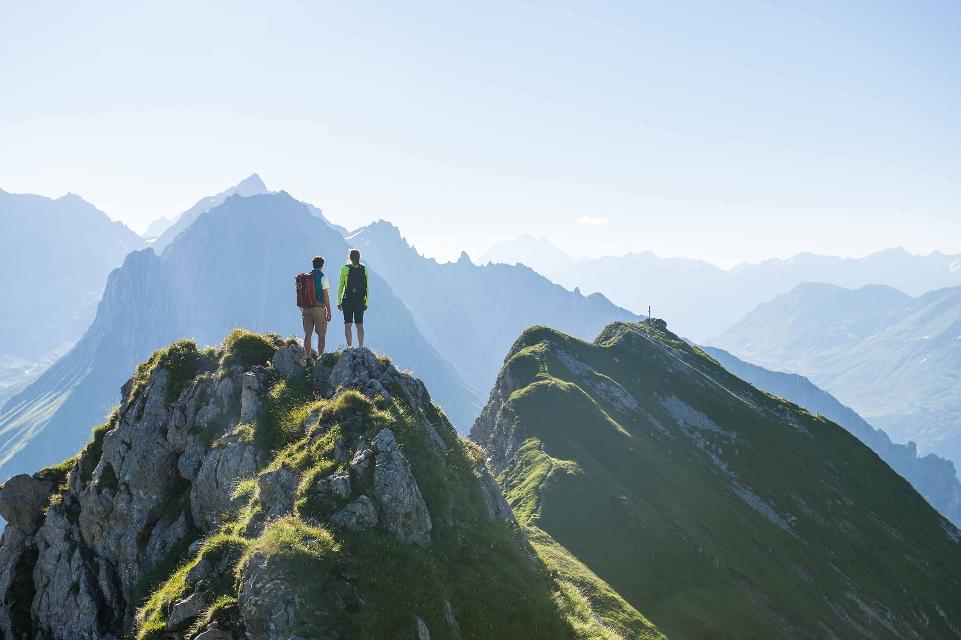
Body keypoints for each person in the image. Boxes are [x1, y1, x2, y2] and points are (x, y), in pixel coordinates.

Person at [337, 249, 369, 348]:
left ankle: (349, 346)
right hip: (360, 301)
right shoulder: (364, 269)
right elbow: (366, 287)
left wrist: (339, 301)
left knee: (348, 324)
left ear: (350, 258)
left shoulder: (345, 269)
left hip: (347, 300)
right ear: (359, 258)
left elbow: (341, 286)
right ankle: (361, 346)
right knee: (359, 325)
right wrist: (366, 302)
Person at [302, 256, 331, 359]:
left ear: (313, 265)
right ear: (322, 265)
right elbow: (326, 295)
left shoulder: (306, 277)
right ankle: (320, 358)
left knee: (308, 334)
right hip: (319, 308)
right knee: (321, 335)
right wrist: (329, 310)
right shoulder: (323, 277)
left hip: (306, 308)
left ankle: (308, 358)